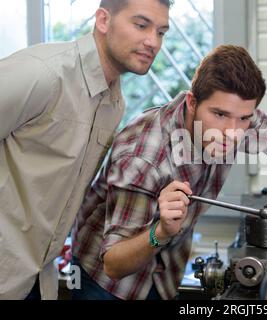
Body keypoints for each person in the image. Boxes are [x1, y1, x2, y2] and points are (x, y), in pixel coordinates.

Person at [71, 45, 267, 300]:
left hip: (166, 273)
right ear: (192, 102)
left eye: (244, 118)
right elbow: (114, 264)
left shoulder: (236, 118)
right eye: (219, 115)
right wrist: (162, 231)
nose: (232, 132)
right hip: (107, 284)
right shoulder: (144, 157)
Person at [0, 0, 171, 300]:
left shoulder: (114, 103)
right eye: (141, 25)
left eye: (161, 32)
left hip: (37, 279)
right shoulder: (42, 73)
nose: (153, 42)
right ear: (103, 20)